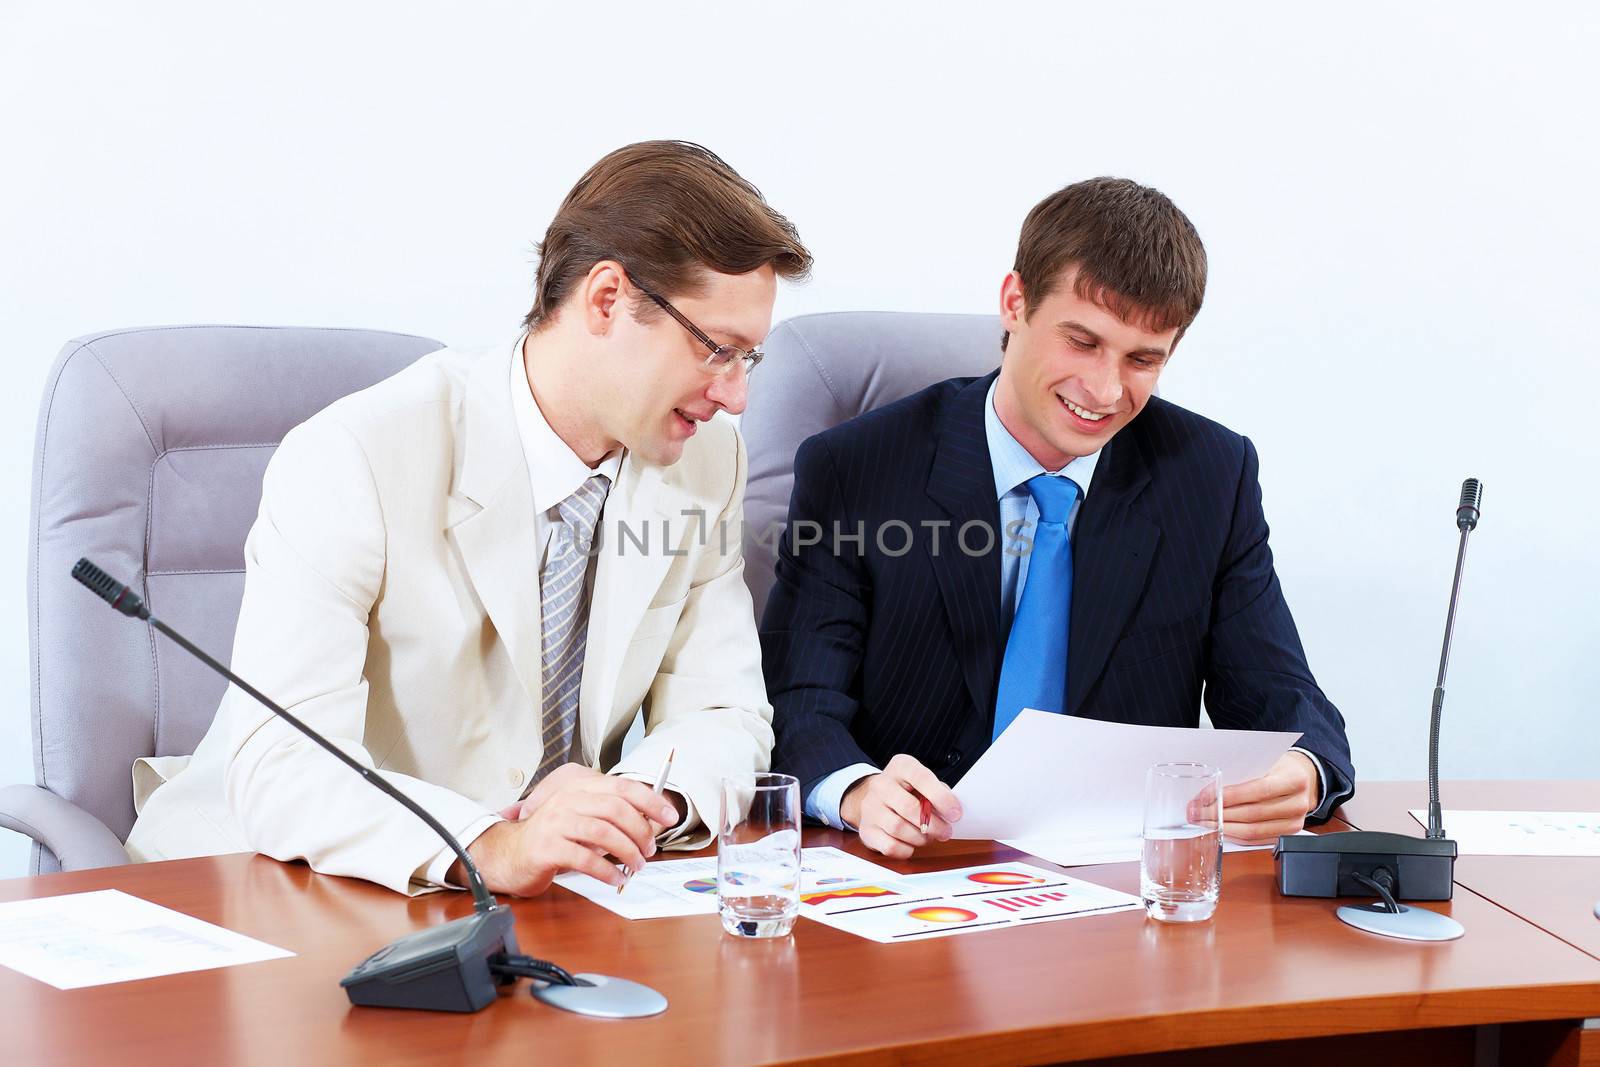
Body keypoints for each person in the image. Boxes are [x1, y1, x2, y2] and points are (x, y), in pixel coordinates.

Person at [125, 141, 812, 895]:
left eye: (750, 360)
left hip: (533, 906)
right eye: (718, 349)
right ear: (608, 299)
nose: (736, 396)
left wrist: (636, 801)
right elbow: (289, 766)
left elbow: (726, 710)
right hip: (277, 882)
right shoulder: (356, 455)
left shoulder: (708, 463)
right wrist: (495, 842)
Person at [762, 177, 1353, 859]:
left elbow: (1287, 699)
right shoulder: (858, 466)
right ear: (1014, 303)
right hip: (917, 865)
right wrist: (857, 789)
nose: (1105, 390)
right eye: (1082, 341)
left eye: (1142, 359)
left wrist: (1302, 772)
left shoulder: (1210, 476)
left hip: (1113, 883)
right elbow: (799, 697)